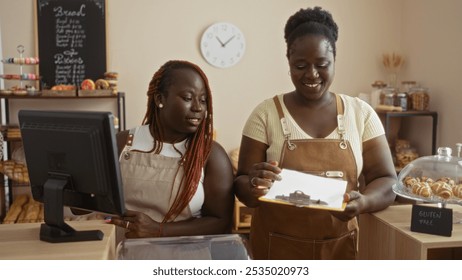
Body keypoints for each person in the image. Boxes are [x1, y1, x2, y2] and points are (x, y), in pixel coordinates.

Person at [234, 7, 397, 259]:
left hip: (340, 250)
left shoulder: (361, 113)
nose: (311, 74)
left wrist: (362, 202)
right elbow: (242, 183)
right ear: (288, 63)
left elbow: (387, 180)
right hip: (276, 250)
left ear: (334, 62)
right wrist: (254, 184)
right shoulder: (264, 114)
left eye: (322, 64)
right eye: (300, 65)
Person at [110, 60, 235, 239]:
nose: (198, 108)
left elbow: (220, 222)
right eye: (187, 98)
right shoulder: (123, 142)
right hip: (124, 255)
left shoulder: (212, 155)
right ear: (160, 99)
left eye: (203, 100)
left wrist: (159, 230)